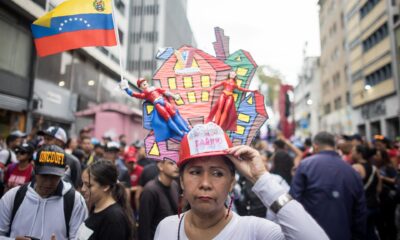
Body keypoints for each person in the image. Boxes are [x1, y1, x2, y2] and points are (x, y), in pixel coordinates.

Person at [155, 123, 328, 239]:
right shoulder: (166, 228)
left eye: (217, 173)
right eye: (195, 172)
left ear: (231, 183)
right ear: (182, 181)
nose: (205, 183)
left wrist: (260, 178)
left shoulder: (257, 232)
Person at [290, 131, 367, 240]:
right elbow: (360, 211)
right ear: (334, 146)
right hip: (344, 234)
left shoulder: (305, 166)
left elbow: (293, 202)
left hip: (312, 234)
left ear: (315, 147)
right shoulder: (352, 171)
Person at [0, 144, 88, 239]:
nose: (48, 183)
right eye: (44, 175)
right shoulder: (13, 196)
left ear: (65, 170)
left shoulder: (75, 201)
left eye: (54, 177)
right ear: (33, 166)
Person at [79, 160, 135, 240]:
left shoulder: (113, 219)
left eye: (89, 185)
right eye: (82, 184)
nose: (83, 189)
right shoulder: (95, 207)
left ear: (105, 186)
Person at [120, 78, 189, 141]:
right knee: (168, 119)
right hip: (158, 105)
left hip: (164, 102)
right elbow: (134, 94)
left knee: (175, 115)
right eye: (141, 83)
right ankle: (181, 134)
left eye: (144, 82)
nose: (144, 83)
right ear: (140, 87)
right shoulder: (144, 94)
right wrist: (126, 89)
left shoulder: (155, 88)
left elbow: (165, 92)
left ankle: (186, 130)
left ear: (147, 82)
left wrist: (174, 96)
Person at [138, 159, 179, 240]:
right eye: (171, 163)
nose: (176, 166)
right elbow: (144, 226)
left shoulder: (174, 185)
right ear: (160, 166)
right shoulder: (150, 190)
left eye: (177, 163)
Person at [351, 145, 381, 240]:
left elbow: (352, 189)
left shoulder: (356, 167)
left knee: (361, 234)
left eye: (353, 151)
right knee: (371, 232)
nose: (351, 153)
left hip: (362, 207)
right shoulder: (374, 168)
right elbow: (379, 189)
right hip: (374, 205)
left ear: (359, 154)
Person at [0, 130, 27, 197]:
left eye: (21, 140)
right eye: (18, 140)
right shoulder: (5, 153)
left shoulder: (15, 154)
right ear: (10, 142)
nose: (21, 142)